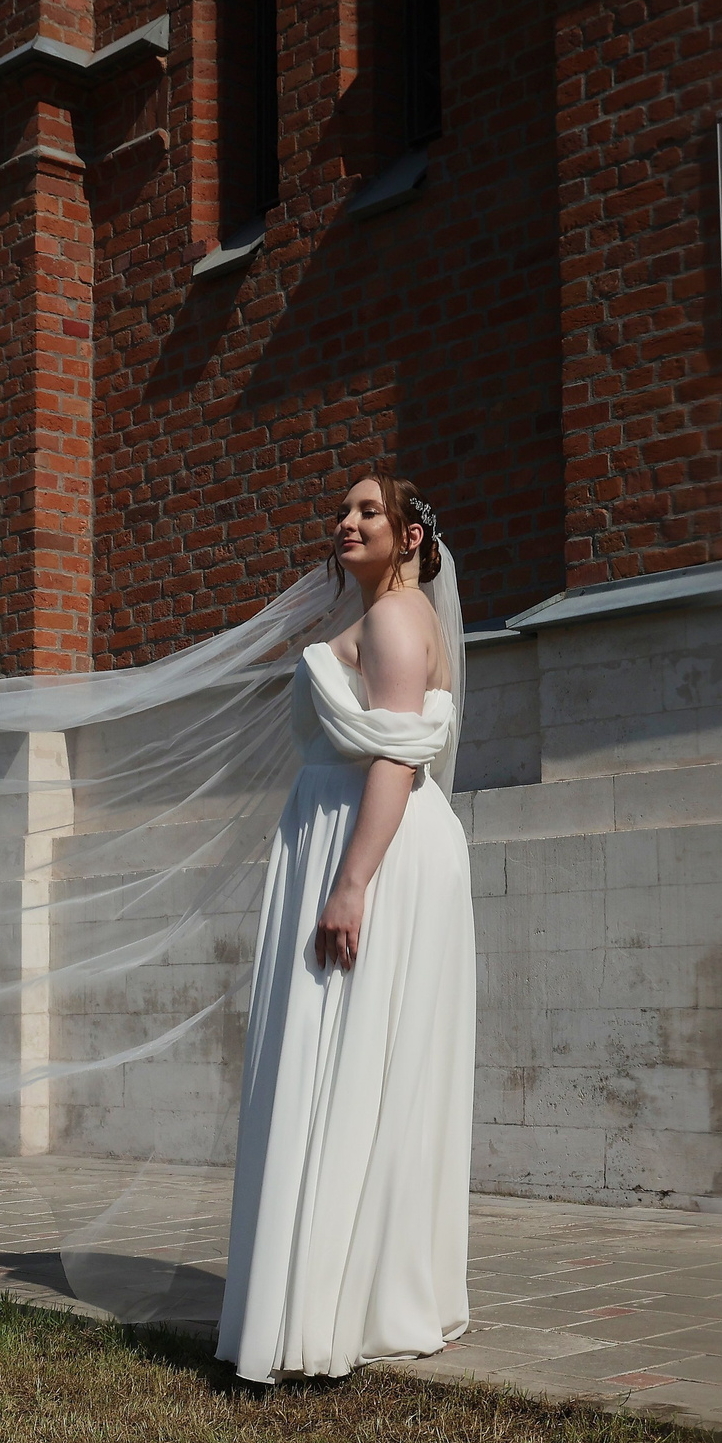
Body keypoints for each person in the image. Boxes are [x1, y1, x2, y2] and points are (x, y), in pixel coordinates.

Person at [215, 471, 477, 1383]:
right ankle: (348, 1291)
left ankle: (332, 1305)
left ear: (411, 536)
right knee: (351, 1058)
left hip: (372, 848)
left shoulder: (398, 619)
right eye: (342, 509)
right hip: (349, 836)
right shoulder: (381, 617)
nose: (347, 522)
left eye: (369, 511)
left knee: (349, 1055)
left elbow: (396, 761)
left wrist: (352, 882)